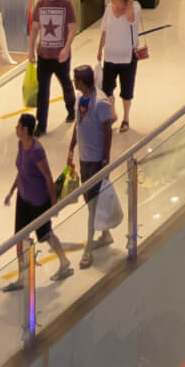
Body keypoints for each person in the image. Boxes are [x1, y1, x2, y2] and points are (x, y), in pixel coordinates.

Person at [2, 113, 73, 287]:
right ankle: (22, 277)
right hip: (23, 197)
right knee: (19, 237)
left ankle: (64, 262)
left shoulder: (37, 150)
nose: (16, 129)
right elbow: (21, 171)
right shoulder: (21, 144)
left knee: (45, 235)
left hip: (38, 200)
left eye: (18, 126)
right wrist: (12, 191)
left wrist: (54, 203)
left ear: (25, 129)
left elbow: (48, 177)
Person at [66, 64, 117, 268]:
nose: (73, 82)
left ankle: (88, 251)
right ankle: (105, 234)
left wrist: (105, 162)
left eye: (75, 79)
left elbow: (108, 133)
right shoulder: (81, 99)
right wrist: (71, 149)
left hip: (96, 161)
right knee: (89, 201)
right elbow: (78, 125)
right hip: (84, 158)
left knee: (92, 207)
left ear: (82, 81)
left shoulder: (101, 103)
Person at [29, 0, 76, 135]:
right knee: (43, 91)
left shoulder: (66, 4)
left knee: (66, 84)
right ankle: (41, 125)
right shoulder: (40, 4)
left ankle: (71, 108)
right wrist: (30, 52)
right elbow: (34, 30)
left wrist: (66, 48)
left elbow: (72, 29)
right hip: (43, 56)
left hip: (61, 56)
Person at [97, 0, 142, 132]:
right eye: (114, 0)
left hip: (127, 57)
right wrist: (99, 50)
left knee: (127, 90)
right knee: (107, 88)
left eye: (119, 1)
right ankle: (112, 113)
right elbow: (104, 30)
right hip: (110, 56)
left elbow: (130, 19)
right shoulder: (109, 9)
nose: (116, 4)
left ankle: (126, 118)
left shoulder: (134, 7)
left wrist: (128, 3)